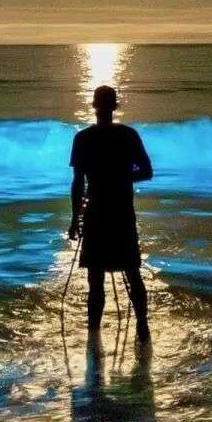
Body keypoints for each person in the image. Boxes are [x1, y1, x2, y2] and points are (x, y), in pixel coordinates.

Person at [68, 84, 153, 341]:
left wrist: (75, 219)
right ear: (115, 106)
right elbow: (147, 172)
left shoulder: (83, 138)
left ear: (94, 106)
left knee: (96, 280)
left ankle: (93, 337)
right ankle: (142, 326)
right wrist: (122, 177)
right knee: (131, 272)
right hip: (121, 212)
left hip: (96, 213)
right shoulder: (128, 135)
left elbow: (77, 183)